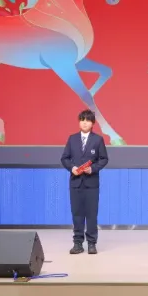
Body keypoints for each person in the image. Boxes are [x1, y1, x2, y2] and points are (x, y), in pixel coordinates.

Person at [61, 109, 109, 255]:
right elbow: (64, 158)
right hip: (75, 182)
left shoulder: (98, 140)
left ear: (93, 123)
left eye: (88, 120)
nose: (84, 123)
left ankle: (92, 243)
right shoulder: (72, 139)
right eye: (82, 120)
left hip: (91, 184)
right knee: (77, 214)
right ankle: (77, 243)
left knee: (91, 214)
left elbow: (104, 159)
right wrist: (72, 168)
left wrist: (92, 169)